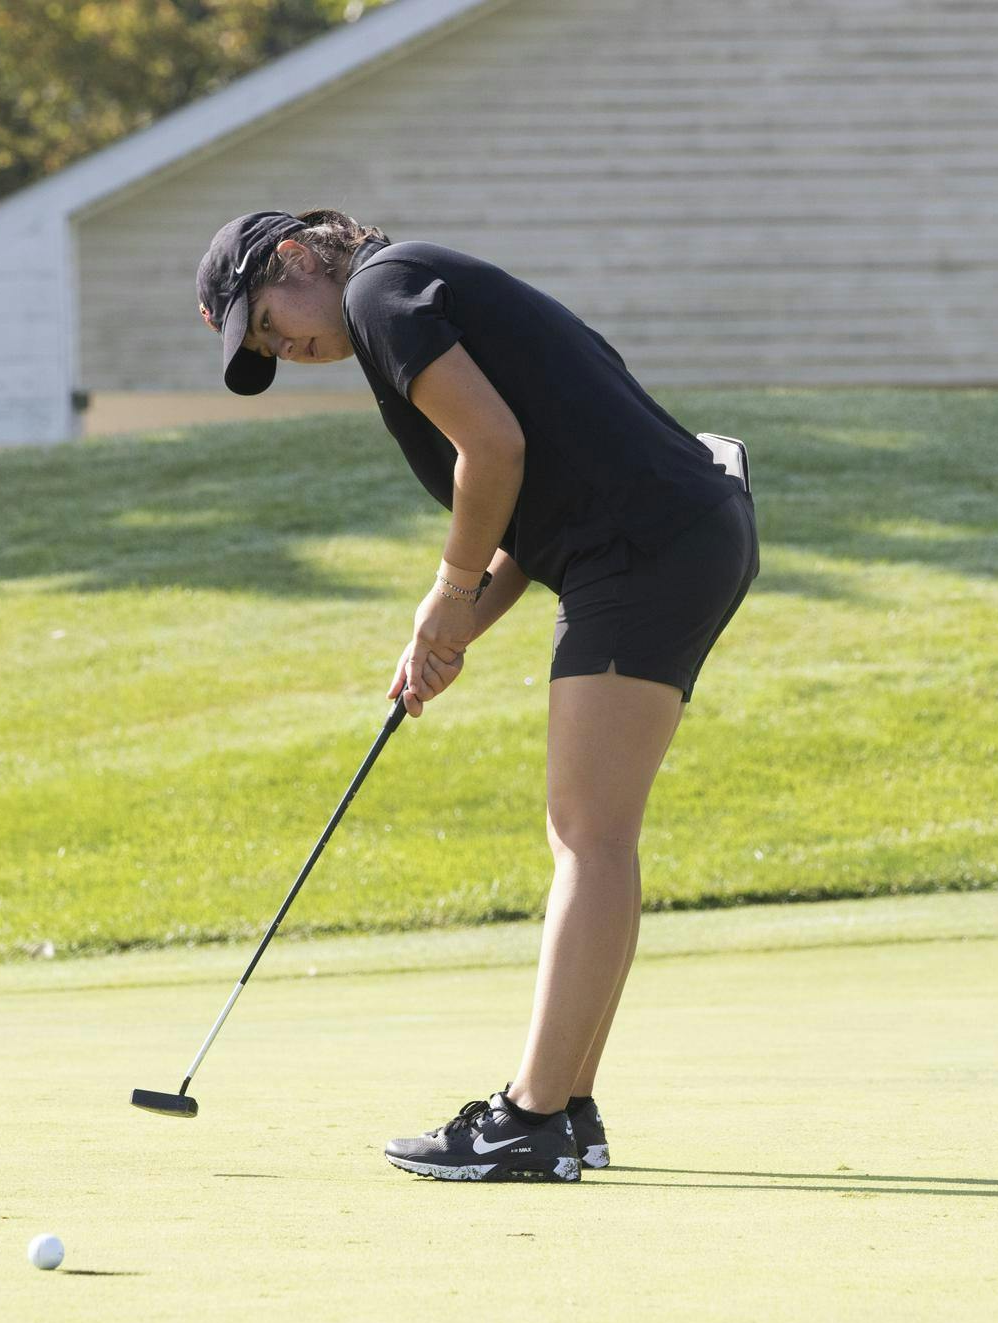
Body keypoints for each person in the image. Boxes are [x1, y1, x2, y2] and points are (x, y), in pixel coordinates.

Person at [195, 209, 759, 1182]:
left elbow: (489, 452)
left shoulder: (380, 291)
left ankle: (528, 1118)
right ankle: (567, 1109)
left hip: (645, 548)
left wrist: (445, 594)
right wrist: (450, 633)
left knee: (587, 835)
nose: (285, 348)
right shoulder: (408, 294)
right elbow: (534, 499)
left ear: (294, 258)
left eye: (271, 323)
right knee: (594, 837)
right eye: (266, 350)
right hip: (663, 537)